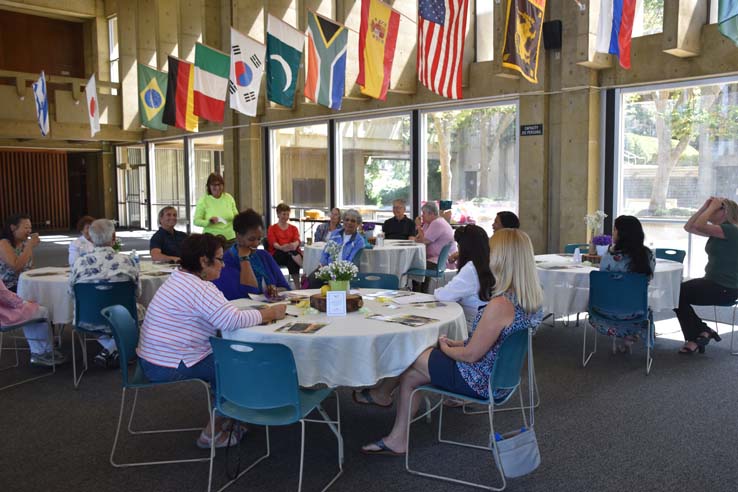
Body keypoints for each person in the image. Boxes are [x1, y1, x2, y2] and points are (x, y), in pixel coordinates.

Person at [359, 229, 543, 455]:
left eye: (493, 251)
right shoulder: (528, 299)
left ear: (503, 258)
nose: (489, 256)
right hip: (500, 378)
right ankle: (398, 438)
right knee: (411, 377)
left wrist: (445, 347)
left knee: (412, 352)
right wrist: (460, 344)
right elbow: (491, 343)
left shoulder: (500, 304)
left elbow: (471, 355)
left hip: (478, 379)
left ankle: (382, 395)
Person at [137, 233, 286, 449]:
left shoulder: (180, 278)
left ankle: (229, 415)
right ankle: (211, 434)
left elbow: (220, 314)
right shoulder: (199, 287)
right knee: (236, 365)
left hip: (154, 358)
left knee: (230, 358)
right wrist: (269, 314)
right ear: (203, 261)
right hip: (171, 364)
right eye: (219, 259)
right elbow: (230, 319)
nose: (223, 265)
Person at [69, 219, 140, 369]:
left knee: (90, 315)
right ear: (114, 237)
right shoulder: (128, 262)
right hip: (123, 315)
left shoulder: (79, 263)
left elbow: (72, 293)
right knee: (143, 311)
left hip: (88, 317)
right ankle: (115, 348)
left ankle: (108, 348)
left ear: (91, 238)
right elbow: (137, 293)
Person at [676, 197, 738, 355]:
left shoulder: (730, 230)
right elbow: (689, 227)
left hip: (725, 288)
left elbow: (698, 225)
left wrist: (712, 207)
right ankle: (701, 333)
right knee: (676, 294)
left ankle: (698, 335)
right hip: (713, 284)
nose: (710, 212)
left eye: (715, 209)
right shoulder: (720, 231)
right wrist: (705, 207)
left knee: (676, 294)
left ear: (724, 211)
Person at [593, 215, 656, 353]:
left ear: (621, 234)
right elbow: (648, 280)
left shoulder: (609, 256)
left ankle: (625, 335)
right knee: (641, 303)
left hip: (604, 311)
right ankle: (630, 334)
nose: (612, 233)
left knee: (593, 298)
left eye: (614, 230)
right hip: (636, 312)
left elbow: (604, 282)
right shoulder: (648, 255)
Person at [213, 209, 290, 300]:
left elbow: (286, 287)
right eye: (251, 239)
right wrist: (244, 259)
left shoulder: (264, 256)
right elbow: (248, 293)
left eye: (259, 239)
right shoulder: (225, 261)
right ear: (238, 236)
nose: (256, 244)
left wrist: (274, 290)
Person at [434, 225, 495, 331]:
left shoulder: (471, 269)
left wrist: (437, 290)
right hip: (489, 324)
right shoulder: (492, 261)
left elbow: (444, 296)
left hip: (472, 326)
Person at [0, 279, 67, 366]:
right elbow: (4, 295)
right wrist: (22, 302)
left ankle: (41, 349)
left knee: (31, 309)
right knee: (41, 311)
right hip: (4, 316)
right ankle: (41, 352)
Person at [307, 209, 367, 288]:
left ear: (358, 224)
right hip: (328, 268)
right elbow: (326, 252)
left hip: (343, 273)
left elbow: (352, 262)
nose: (349, 223)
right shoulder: (335, 233)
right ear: (343, 221)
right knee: (311, 279)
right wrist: (322, 265)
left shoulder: (359, 241)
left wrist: (336, 271)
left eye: (353, 221)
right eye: (347, 220)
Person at [412, 202, 457, 293]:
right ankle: (420, 292)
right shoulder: (428, 223)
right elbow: (418, 238)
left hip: (440, 260)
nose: (422, 216)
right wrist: (420, 231)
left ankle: (419, 293)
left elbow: (424, 240)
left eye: (424, 213)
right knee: (417, 264)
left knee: (414, 266)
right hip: (434, 258)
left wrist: (418, 226)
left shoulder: (437, 223)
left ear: (431, 214)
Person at [193, 173, 238, 245]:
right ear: (209, 186)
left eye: (219, 185)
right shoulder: (203, 200)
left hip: (230, 239)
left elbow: (236, 215)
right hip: (211, 240)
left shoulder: (229, 197)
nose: (217, 188)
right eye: (214, 185)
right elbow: (196, 221)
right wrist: (208, 222)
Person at [0, 213, 40, 292]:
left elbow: (29, 267)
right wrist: (30, 246)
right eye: (26, 227)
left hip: (23, 283)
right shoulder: (3, 243)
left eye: (30, 228)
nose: (29, 231)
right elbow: (16, 267)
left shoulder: (25, 244)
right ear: (13, 228)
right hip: (7, 287)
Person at [267, 203, 304, 287]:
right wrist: (281, 247)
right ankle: (299, 282)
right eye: (284, 214)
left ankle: (295, 286)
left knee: (291, 259)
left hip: (290, 252)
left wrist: (293, 245)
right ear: (278, 214)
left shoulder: (293, 228)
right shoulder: (272, 228)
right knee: (291, 255)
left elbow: (297, 240)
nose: (286, 216)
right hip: (278, 252)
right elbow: (273, 242)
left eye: (287, 214)